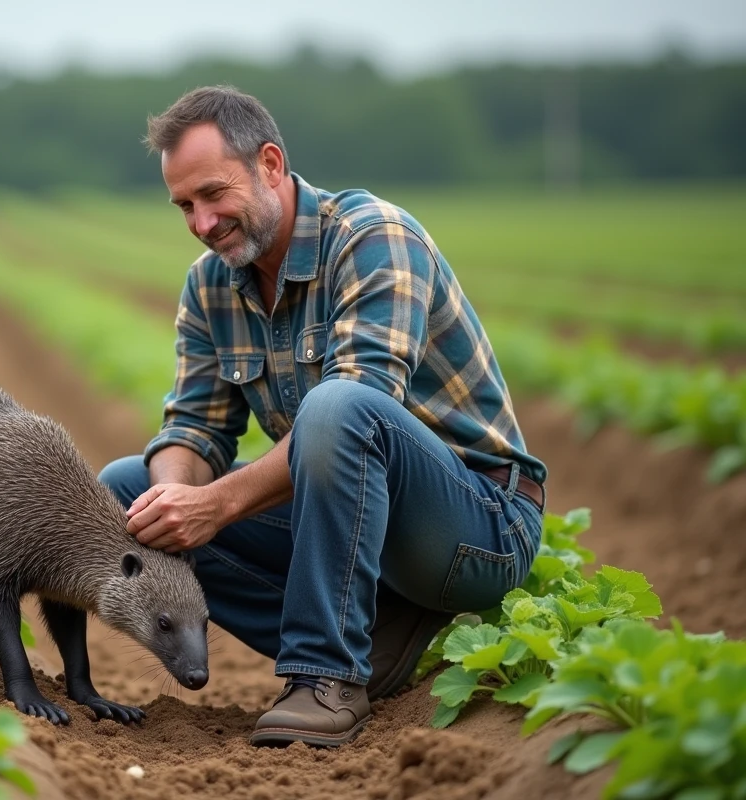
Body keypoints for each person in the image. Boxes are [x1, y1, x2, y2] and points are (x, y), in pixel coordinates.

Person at [97, 85, 548, 748]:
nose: (200, 221)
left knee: (336, 406)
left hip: (474, 522)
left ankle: (328, 674)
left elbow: (360, 404)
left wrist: (217, 506)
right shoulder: (209, 284)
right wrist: (175, 495)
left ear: (271, 165)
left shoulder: (373, 236)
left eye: (214, 194)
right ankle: (377, 632)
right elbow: (194, 425)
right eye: (185, 205)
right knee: (126, 488)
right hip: (356, 516)